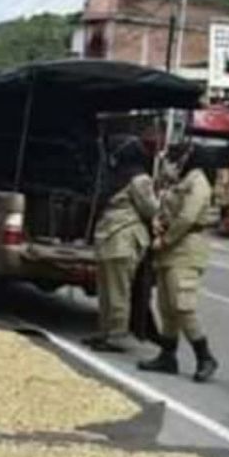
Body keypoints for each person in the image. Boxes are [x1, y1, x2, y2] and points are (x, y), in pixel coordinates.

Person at [139, 140, 220, 382]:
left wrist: (165, 240)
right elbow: (168, 210)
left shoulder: (198, 182)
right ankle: (167, 355)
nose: (174, 161)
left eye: (179, 156)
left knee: (182, 305)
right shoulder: (181, 181)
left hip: (185, 249)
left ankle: (205, 356)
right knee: (166, 306)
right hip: (170, 249)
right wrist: (158, 223)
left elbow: (187, 217)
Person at [87, 136, 159, 353]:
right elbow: (150, 208)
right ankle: (107, 332)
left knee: (115, 290)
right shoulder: (127, 178)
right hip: (114, 239)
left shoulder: (132, 179)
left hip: (119, 239)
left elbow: (150, 209)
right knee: (110, 290)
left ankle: (115, 334)